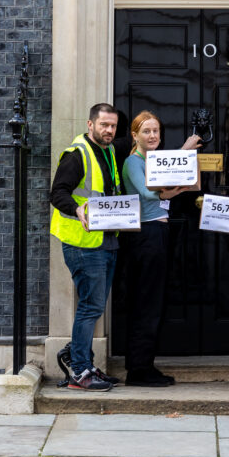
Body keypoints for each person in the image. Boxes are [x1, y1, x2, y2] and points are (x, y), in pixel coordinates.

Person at [49, 102, 123, 391]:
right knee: (90, 306)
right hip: (82, 242)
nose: (109, 130)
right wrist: (77, 210)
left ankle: (83, 360)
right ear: (90, 124)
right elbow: (57, 194)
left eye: (113, 125)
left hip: (106, 239)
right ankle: (79, 370)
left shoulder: (109, 150)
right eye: (104, 124)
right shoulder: (76, 154)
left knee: (94, 306)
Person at [121, 110, 186, 387]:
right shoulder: (133, 162)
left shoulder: (155, 160)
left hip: (158, 231)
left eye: (156, 131)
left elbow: (163, 183)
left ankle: (144, 364)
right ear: (134, 135)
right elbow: (149, 192)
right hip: (145, 233)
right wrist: (174, 190)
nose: (152, 136)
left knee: (153, 301)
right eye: (146, 131)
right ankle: (138, 370)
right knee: (147, 301)